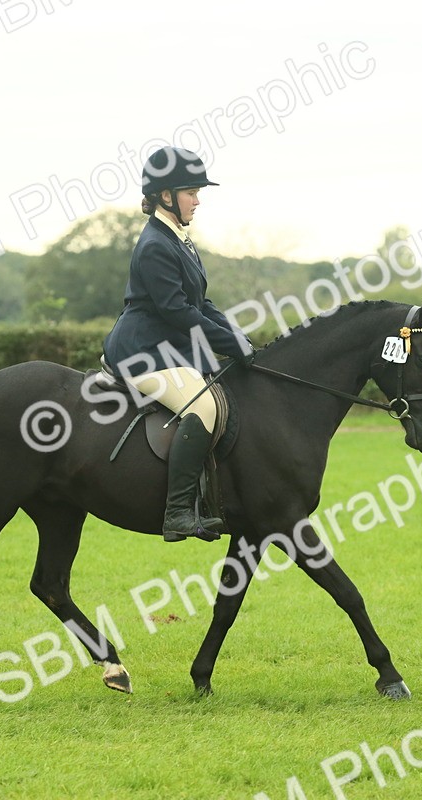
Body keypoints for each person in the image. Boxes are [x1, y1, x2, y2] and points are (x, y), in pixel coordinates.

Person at [103, 146, 254, 542]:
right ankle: (178, 513)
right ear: (166, 196)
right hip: (142, 353)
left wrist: (238, 338)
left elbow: (201, 304)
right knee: (202, 406)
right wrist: (231, 345)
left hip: (165, 349)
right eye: (191, 192)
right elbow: (179, 314)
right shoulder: (155, 245)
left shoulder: (179, 240)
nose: (198, 200)